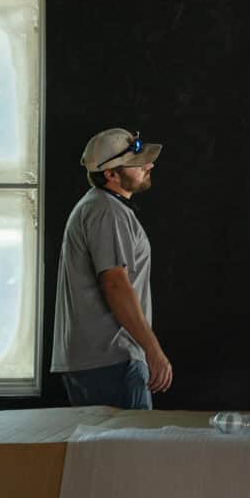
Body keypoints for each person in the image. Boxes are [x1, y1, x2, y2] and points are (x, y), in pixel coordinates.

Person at [51, 128, 172, 408]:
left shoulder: (99, 207)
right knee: (131, 452)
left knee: (104, 452)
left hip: (99, 360)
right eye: (136, 162)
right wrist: (153, 351)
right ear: (111, 174)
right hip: (112, 359)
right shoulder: (107, 211)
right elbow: (115, 283)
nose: (148, 164)